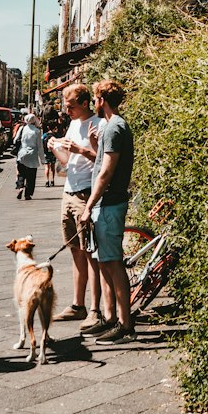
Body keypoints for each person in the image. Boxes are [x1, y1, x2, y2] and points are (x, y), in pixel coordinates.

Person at [78, 79, 136, 343]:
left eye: (95, 99)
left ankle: (125, 324)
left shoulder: (115, 127)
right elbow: (102, 161)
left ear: (101, 100)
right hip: (106, 203)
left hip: (110, 204)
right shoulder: (110, 128)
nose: (94, 104)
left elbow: (107, 171)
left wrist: (89, 205)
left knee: (114, 263)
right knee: (104, 262)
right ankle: (110, 318)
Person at [49, 84, 102, 327]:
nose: (66, 110)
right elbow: (68, 162)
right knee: (75, 251)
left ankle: (94, 310)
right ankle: (77, 304)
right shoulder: (72, 124)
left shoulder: (96, 125)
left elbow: (102, 159)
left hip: (85, 194)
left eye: (70, 106)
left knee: (91, 253)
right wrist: (55, 148)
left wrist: (82, 148)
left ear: (83, 103)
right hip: (68, 192)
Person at [13, 111, 42, 200]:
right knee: (31, 175)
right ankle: (28, 194)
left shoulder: (22, 129)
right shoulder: (37, 131)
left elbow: (15, 140)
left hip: (22, 153)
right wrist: (43, 159)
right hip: (32, 155)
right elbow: (39, 146)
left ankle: (20, 186)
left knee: (21, 173)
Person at [41, 105, 62, 186]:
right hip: (53, 152)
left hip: (46, 152)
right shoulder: (55, 135)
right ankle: (52, 180)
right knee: (52, 167)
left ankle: (47, 181)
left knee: (47, 167)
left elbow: (42, 142)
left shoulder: (45, 135)